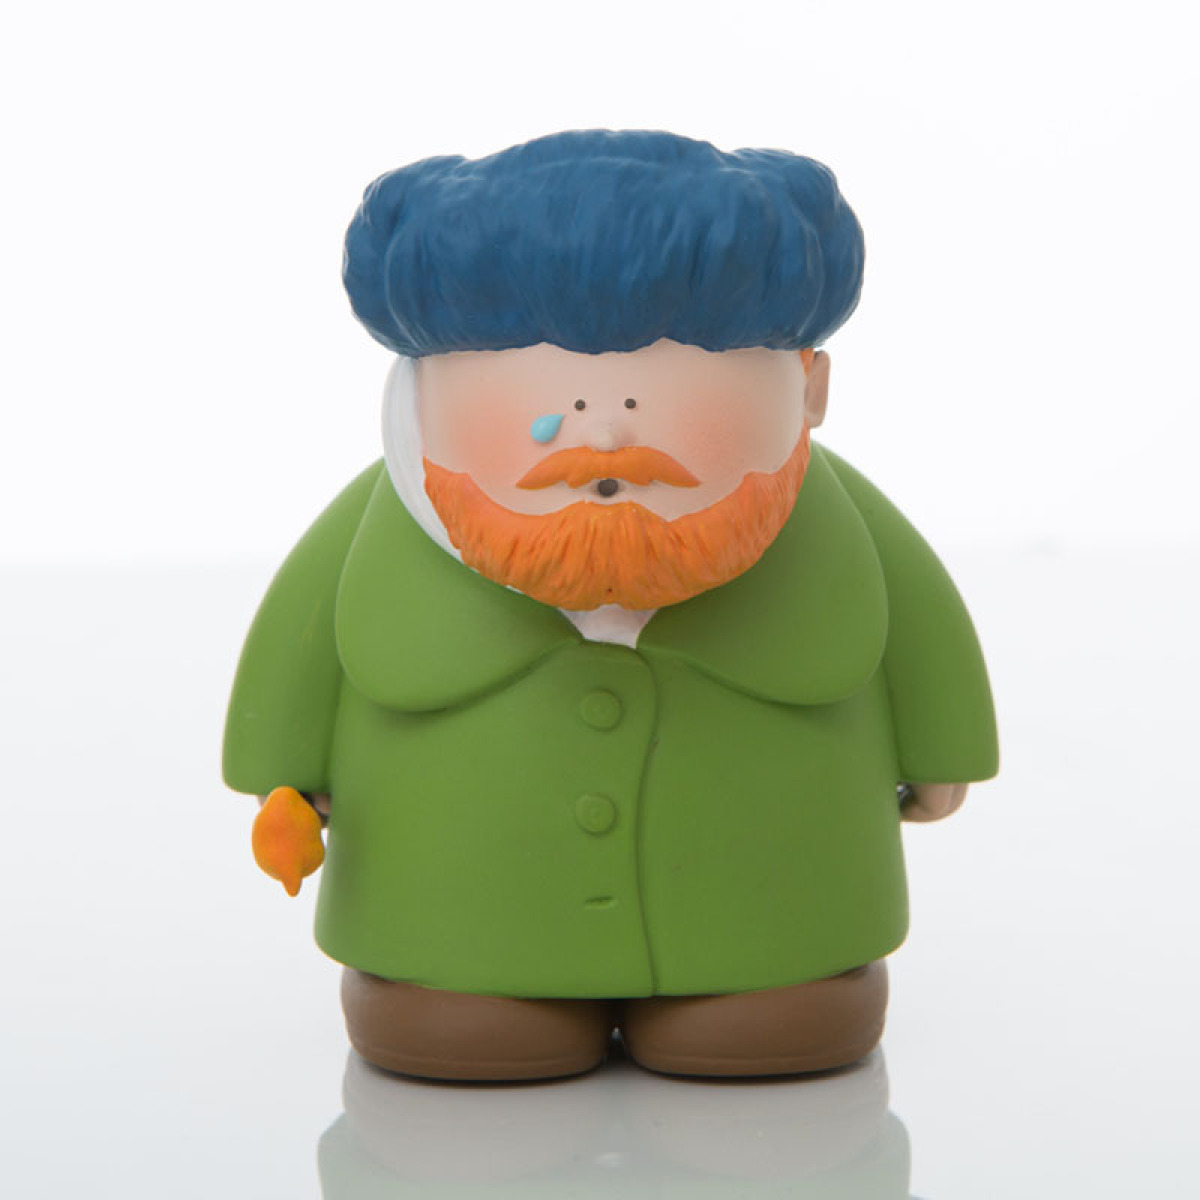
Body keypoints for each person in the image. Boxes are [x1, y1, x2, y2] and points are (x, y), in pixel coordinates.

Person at [223, 130, 998, 1082]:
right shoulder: (378, 534)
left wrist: (943, 753)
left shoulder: (836, 528)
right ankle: (462, 988)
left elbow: (923, 632)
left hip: (770, 900)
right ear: (418, 398)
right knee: (465, 1021)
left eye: (653, 393)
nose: (598, 435)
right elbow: (296, 651)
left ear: (809, 386)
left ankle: (772, 985)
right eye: (542, 394)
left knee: (770, 1013)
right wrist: (281, 775)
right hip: (457, 911)